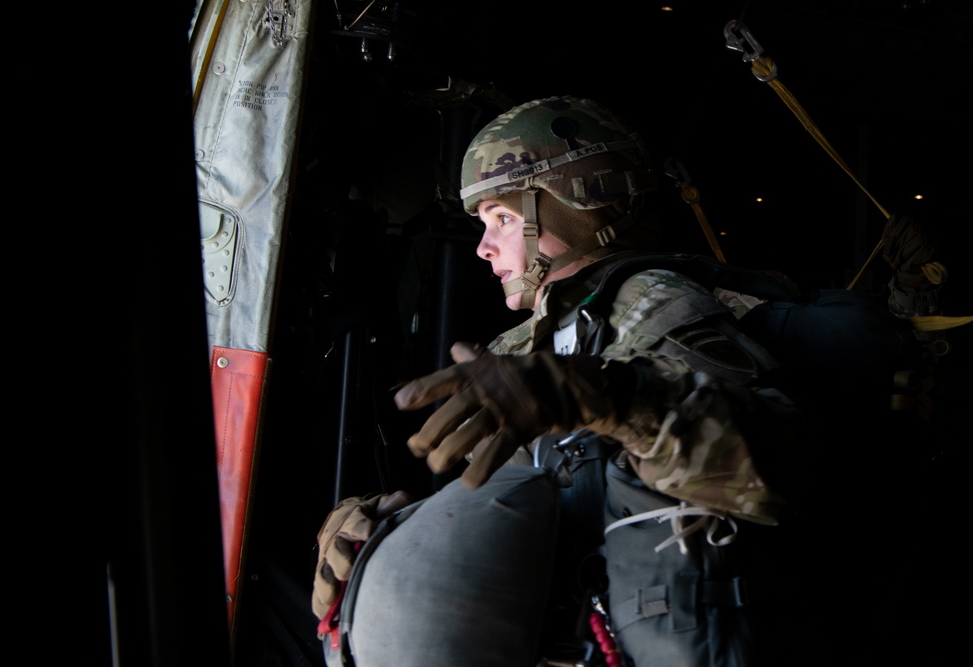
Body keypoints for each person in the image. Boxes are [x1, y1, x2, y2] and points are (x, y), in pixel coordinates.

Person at [312, 95, 936, 667]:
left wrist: (616, 400)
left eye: (500, 217)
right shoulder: (520, 345)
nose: (482, 246)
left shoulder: (649, 303)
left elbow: (777, 461)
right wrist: (387, 528)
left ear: (570, 205)